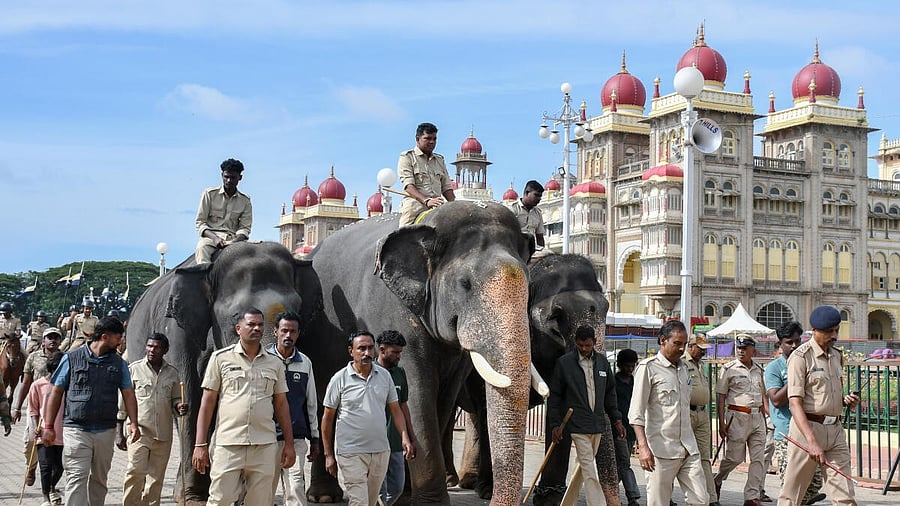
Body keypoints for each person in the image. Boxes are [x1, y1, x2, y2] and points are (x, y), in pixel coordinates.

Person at [191, 308, 295, 505]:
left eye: (260, 325)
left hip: (264, 445)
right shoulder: (220, 358)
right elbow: (207, 403)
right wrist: (200, 444)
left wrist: (289, 444)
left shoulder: (275, 363)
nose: (257, 328)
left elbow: (281, 405)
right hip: (228, 443)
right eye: (251, 324)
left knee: (260, 501)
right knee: (220, 499)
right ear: (238, 328)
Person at [42, 316, 140, 506]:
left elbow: (129, 394)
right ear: (105, 336)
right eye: (118, 337)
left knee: (99, 480)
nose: (121, 342)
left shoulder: (119, 363)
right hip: (76, 430)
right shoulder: (71, 358)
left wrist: (134, 423)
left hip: (105, 431)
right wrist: (48, 426)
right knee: (76, 477)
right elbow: (55, 392)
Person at [776, 306, 860, 505]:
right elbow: (795, 403)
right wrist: (811, 441)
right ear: (814, 330)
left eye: (836, 330)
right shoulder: (800, 357)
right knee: (792, 494)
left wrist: (848, 401)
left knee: (845, 494)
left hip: (835, 431)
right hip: (807, 431)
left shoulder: (837, 355)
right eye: (829, 331)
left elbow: (829, 396)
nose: (834, 335)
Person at [322, 331, 415, 506]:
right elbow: (328, 418)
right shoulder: (339, 379)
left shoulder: (385, 376)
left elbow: (396, 410)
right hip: (350, 452)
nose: (367, 353)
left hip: (380, 451)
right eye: (361, 348)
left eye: (370, 348)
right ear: (351, 351)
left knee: (372, 501)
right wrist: (328, 455)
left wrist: (405, 437)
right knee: (359, 501)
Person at [629, 320, 708, 506]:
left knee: (701, 500)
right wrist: (643, 448)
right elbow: (636, 413)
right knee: (659, 502)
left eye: (685, 344)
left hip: (688, 447)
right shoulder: (648, 368)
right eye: (677, 343)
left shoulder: (684, 369)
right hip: (660, 452)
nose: (682, 349)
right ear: (663, 340)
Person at [548, 326, 624, 505]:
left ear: (594, 343)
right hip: (575, 424)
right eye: (580, 345)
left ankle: (567, 504)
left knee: (582, 467)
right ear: (576, 343)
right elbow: (555, 397)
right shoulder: (564, 363)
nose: (583, 349)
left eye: (587, 345)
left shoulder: (603, 363)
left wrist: (617, 419)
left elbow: (610, 393)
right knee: (590, 468)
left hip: (597, 424)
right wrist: (555, 424)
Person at [115, 333, 188, 506]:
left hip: (163, 434)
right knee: (135, 471)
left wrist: (179, 407)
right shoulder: (133, 369)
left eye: (156, 347)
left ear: (165, 350)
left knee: (156, 478)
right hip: (138, 431)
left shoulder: (172, 373)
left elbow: (176, 399)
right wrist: (119, 432)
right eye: (149, 346)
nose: (151, 350)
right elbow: (122, 403)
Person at [766, 321, 826, 505]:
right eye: (789, 342)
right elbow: (775, 399)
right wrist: (794, 376)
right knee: (790, 485)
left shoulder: (809, 363)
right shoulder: (774, 368)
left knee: (815, 481)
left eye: (797, 341)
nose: (794, 346)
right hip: (786, 433)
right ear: (780, 343)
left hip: (809, 432)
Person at [266, 311, 320, 506]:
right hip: (266, 436)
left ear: (298, 334)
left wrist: (315, 438)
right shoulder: (263, 360)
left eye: (293, 331)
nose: (288, 335)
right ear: (275, 332)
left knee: (296, 488)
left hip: (296, 437)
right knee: (264, 489)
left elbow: (311, 403)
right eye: (284, 330)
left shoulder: (305, 363)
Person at [713, 334, 768, 506]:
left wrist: (767, 417)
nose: (741, 351)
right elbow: (721, 397)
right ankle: (717, 480)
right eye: (738, 348)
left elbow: (763, 395)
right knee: (734, 458)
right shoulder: (729, 369)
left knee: (759, 458)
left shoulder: (759, 369)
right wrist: (721, 423)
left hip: (757, 417)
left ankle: (752, 496)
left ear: (753, 350)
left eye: (744, 348)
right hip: (737, 417)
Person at [11, 327, 62, 487]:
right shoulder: (33, 357)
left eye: (56, 337)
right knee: (30, 441)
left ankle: (50, 484)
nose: (53, 340)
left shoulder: (64, 357)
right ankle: (31, 466)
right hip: (36, 405)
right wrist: (17, 407)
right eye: (49, 337)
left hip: (56, 407)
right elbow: (26, 382)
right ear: (44, 341)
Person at [376, 330, 417, 506]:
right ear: (382, 350)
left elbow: (403, 406)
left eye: (400, 352)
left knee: (397, 488)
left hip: (395, 442)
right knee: (378, 490)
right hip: (375, 443)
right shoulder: (370, 372)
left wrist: (410, 437)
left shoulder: (400, 373)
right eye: (395, 352)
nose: (399, 356)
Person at [683, 333, 720, 506]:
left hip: (702, 414)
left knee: (704, 458)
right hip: (687, 414)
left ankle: (712, 498)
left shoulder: (701, 364)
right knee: (681, 457)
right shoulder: (682, 363)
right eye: (700, 349)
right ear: (691, 346)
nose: (703, 352)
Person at [195, 158, 253, 264]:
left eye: (233, 177)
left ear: (240, 178)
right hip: (211, 240)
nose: (229, 180)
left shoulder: (245, 200)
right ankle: (204, 279)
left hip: (235, 240)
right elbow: (200, 223)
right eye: (226, 177)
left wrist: (234, 241)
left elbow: (245, 228)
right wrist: (215, 238)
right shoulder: (209, 194)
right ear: (222, 175)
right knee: (201, 249)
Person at [397, 122, 455, 227]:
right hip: (416, 204)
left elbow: (446, 187)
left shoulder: (439, 160)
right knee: (404, 233)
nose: (432, 142)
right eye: (427, 138)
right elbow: (408, 186)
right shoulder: (408, 157)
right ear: (418, 139)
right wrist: (426, 201)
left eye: (434, 139)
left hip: (438, 204)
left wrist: (455, 206)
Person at [31, 351, 65, 506]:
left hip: (63, 434)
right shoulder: (37, 385)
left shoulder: (68, 386)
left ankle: (52, 488)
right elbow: (33, 410)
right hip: (44, 432)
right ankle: (45, 497)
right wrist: (35, 427)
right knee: (45, 466)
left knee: (59, 468)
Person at [614, 348, 642, 506]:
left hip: (632, 429)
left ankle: (608, 491)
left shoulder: (636, 382)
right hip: (618, 429)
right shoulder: (613, 382)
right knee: (625, 462)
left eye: (632, 366)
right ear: (620, 365)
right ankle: (633, 496)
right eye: (627, 366)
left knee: (620, 465)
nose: (630, 369)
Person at [508, 180, 546, 248]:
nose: (539, 199)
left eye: (540, 196)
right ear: (527, 193)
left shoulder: (538, 213)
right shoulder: (512, 209)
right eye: (536, 195)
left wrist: (542, 252)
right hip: (514, 248)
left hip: (530, 249)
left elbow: (540, 237)